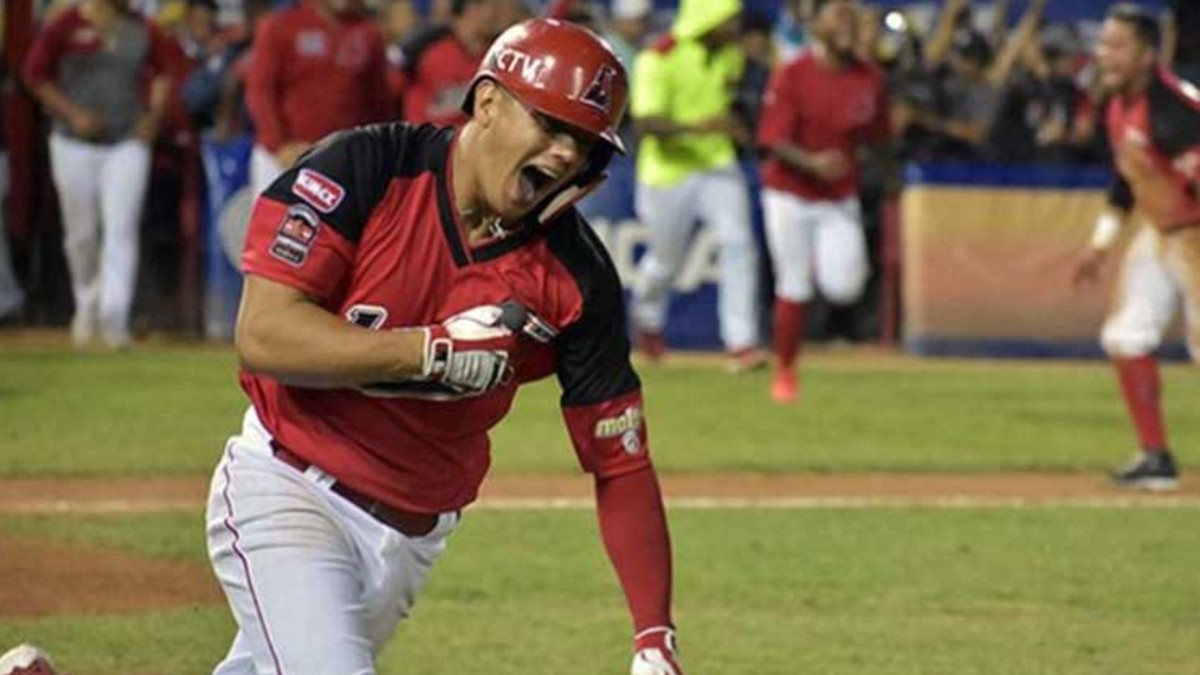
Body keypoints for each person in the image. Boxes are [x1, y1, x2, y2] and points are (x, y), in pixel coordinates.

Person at [206, 19, 684, 675]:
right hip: (290, 486)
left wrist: (654, 634)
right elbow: (263, 334)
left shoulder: (577, 274)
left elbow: (619, 461)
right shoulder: (367, 167)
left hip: (414, 534)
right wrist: (427, 351)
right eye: (550, 124)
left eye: (583, 140)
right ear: (487, 101)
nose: (567, 153)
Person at [1072, 4, 1200, 491]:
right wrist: (1101, 243)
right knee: (1126, 334)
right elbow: (1126, 182)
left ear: (1147, 55)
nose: (1104, 54)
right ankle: (1156, 457)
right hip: (1161, 228)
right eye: (1103, 43)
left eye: (1116, 45)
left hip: (1195, 234)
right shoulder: (1119, 103)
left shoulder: (1173, 114)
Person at [754, 0, 889, 403]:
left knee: (845, 286)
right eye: (838, 15)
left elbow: (878, 135)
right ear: (818, 27)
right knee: (793, 283)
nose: (846, 24)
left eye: (851, 16)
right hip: (789, 191)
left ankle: (816, 269)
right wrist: (811, 161)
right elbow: (772, 139)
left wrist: (868, 163)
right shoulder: (794, 72)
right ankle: (785, 371)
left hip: (837, 195)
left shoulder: (870, 78)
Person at [23, 0, 174, 349]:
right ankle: (87, 304)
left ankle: (114, 317)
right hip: (73, 141)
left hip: (126, 141)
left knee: (121, 228)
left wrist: (153, 117)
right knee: (82, 234)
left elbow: (166, 70)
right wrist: (71, 113)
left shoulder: (141, 27)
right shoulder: (66, 23)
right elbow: (35, 74)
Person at [628, 0, 764, 372]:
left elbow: (727, 95)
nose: (736, 26)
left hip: (717, 164)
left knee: (738, 244)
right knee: (665, 259)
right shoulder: (658, 57)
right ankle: (649, 319)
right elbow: (645, 124)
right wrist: (698, 128)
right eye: (728, 19)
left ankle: (741, 343)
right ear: (709, 18)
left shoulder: (729, 55)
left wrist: (734, 126)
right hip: (667, 171)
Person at [244, 0, 391, 196]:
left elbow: (379, 100)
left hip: (344, 161)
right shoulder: (281, 26)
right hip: (284, 157)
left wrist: (375, 150)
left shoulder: (368, 32)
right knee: (277, 225)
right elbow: (260, 92)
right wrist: (280, 146)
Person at [401, 0, 503, 128]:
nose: (494, 14)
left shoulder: (499, 55)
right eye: (486, 5)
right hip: (442, 140)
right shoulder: (436, 56)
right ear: (470, 9)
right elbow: (418, 115)